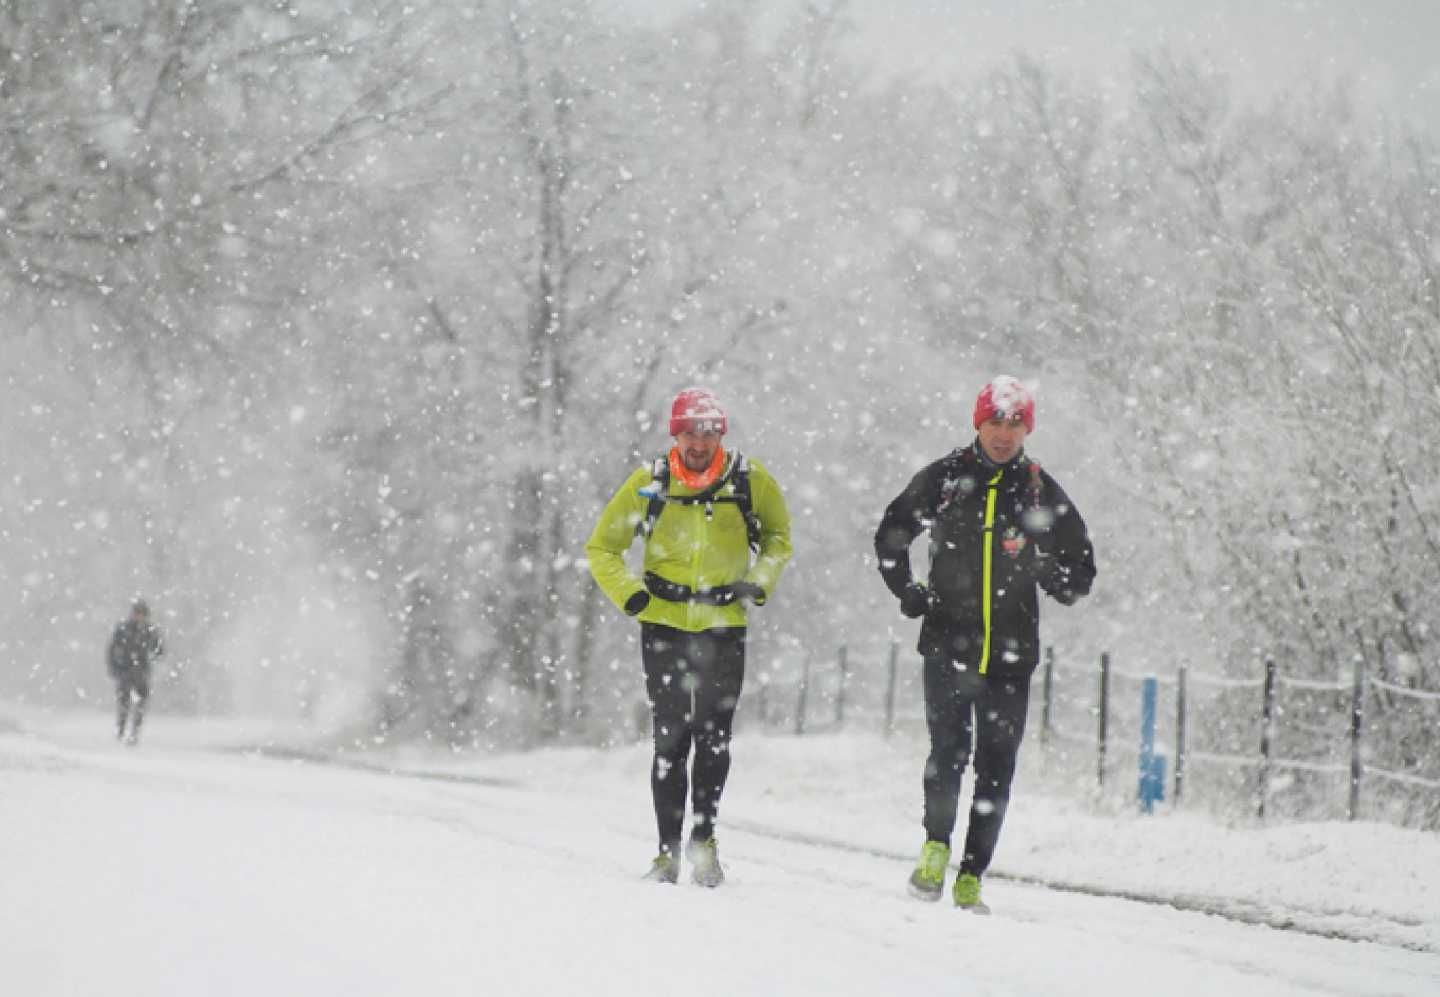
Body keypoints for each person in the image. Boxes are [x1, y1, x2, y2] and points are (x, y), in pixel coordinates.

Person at [874, 375, 1095, 913]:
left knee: (997, 763)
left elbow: (1080, 574)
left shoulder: (1040, 490)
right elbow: (892, 532)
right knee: (947, 754)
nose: (1003, 434)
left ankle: (972, 874)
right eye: (995, 421)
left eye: (1015, 423)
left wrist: (1043, 567)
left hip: (1012, 656)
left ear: (1027, 429)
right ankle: (934, 849)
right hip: (949, 644)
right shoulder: (948, 478)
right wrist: (909, 591)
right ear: (978, 423)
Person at [586, 388, 792, 887]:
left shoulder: (748, 480)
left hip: (724, 625)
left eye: (709, 431)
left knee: (714, 738)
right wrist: (631, 596)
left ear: (722, 434)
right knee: (670, 739)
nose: (699, 442)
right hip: (664, 624)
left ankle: (704, 841)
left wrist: (759, 582)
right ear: (674, 434)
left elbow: (779, 539)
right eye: (690, 432)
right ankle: (666, 852)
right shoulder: (649, 483)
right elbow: (602, 547)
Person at [107, 598, 164, 745]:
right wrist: (114, 667)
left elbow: (159, 650)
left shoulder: (149, 631)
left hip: (141, 671)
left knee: (140, 703)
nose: (140, 617)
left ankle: (134, 733)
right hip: (125, 670)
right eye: (138, 613)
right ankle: (121, 729)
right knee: (124, 702)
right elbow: (112, 649)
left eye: (142, 614)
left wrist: (153, 654)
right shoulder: (124, 629)